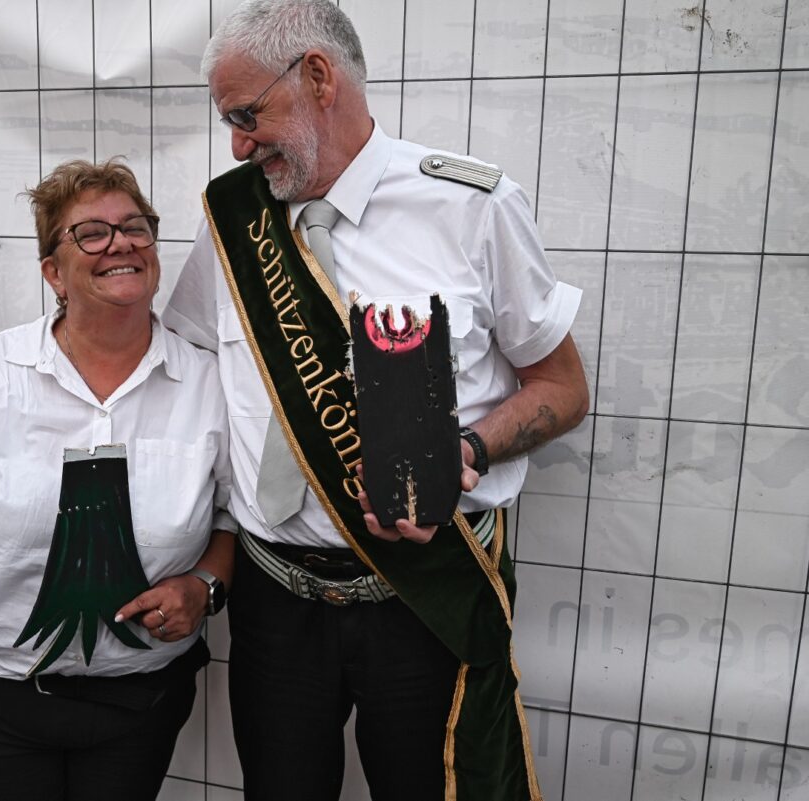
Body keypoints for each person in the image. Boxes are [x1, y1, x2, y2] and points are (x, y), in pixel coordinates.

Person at [162, 1, 589, 799]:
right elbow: (187, 370)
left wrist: (466, 451)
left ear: (319, 77)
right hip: (274, 601)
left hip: (423, 595)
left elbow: (562, 388)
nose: (238, 144)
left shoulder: (474, 206)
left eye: (247, 116)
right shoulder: (233, 218)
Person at [0, 158, 235, 801]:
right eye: (91, 233)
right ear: (53, 273)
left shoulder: (213, 386)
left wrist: (203, 585)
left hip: (142, 705)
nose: (120, 243)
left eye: (135, 227)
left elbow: (234, 514)